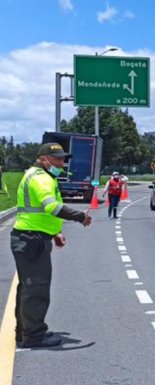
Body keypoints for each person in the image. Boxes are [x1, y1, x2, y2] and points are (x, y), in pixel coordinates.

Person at [11, 143, 92, 348]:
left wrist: (55, 232)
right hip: (31, 240)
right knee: (36, 289)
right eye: (57, 159)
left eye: (63, 159)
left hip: (32, 238)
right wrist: (80, 216)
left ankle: (25, 332)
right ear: (44, 159)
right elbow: (51, 207)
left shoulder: (38, 175)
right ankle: (34, 336)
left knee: (28, 288)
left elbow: (40, 211)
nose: (62, 163)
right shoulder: (40, 178)